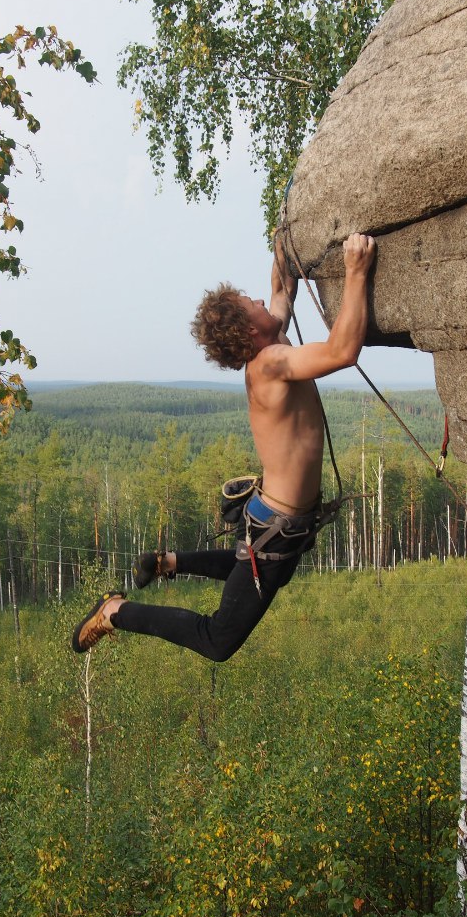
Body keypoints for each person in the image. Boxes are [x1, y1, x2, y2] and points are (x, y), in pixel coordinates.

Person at [71, 232, 376, 660]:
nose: (259, 300)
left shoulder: (271, 348)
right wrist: (355, 271)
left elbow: (279, 290)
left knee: (253, 570)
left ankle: (168, 563)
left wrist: (281, 247)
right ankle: (116, 610)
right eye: (251, 303)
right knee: (218, 641)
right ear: (251, 329)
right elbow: (343, 351)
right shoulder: (270, 364)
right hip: (277, 529)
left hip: (275, 521)